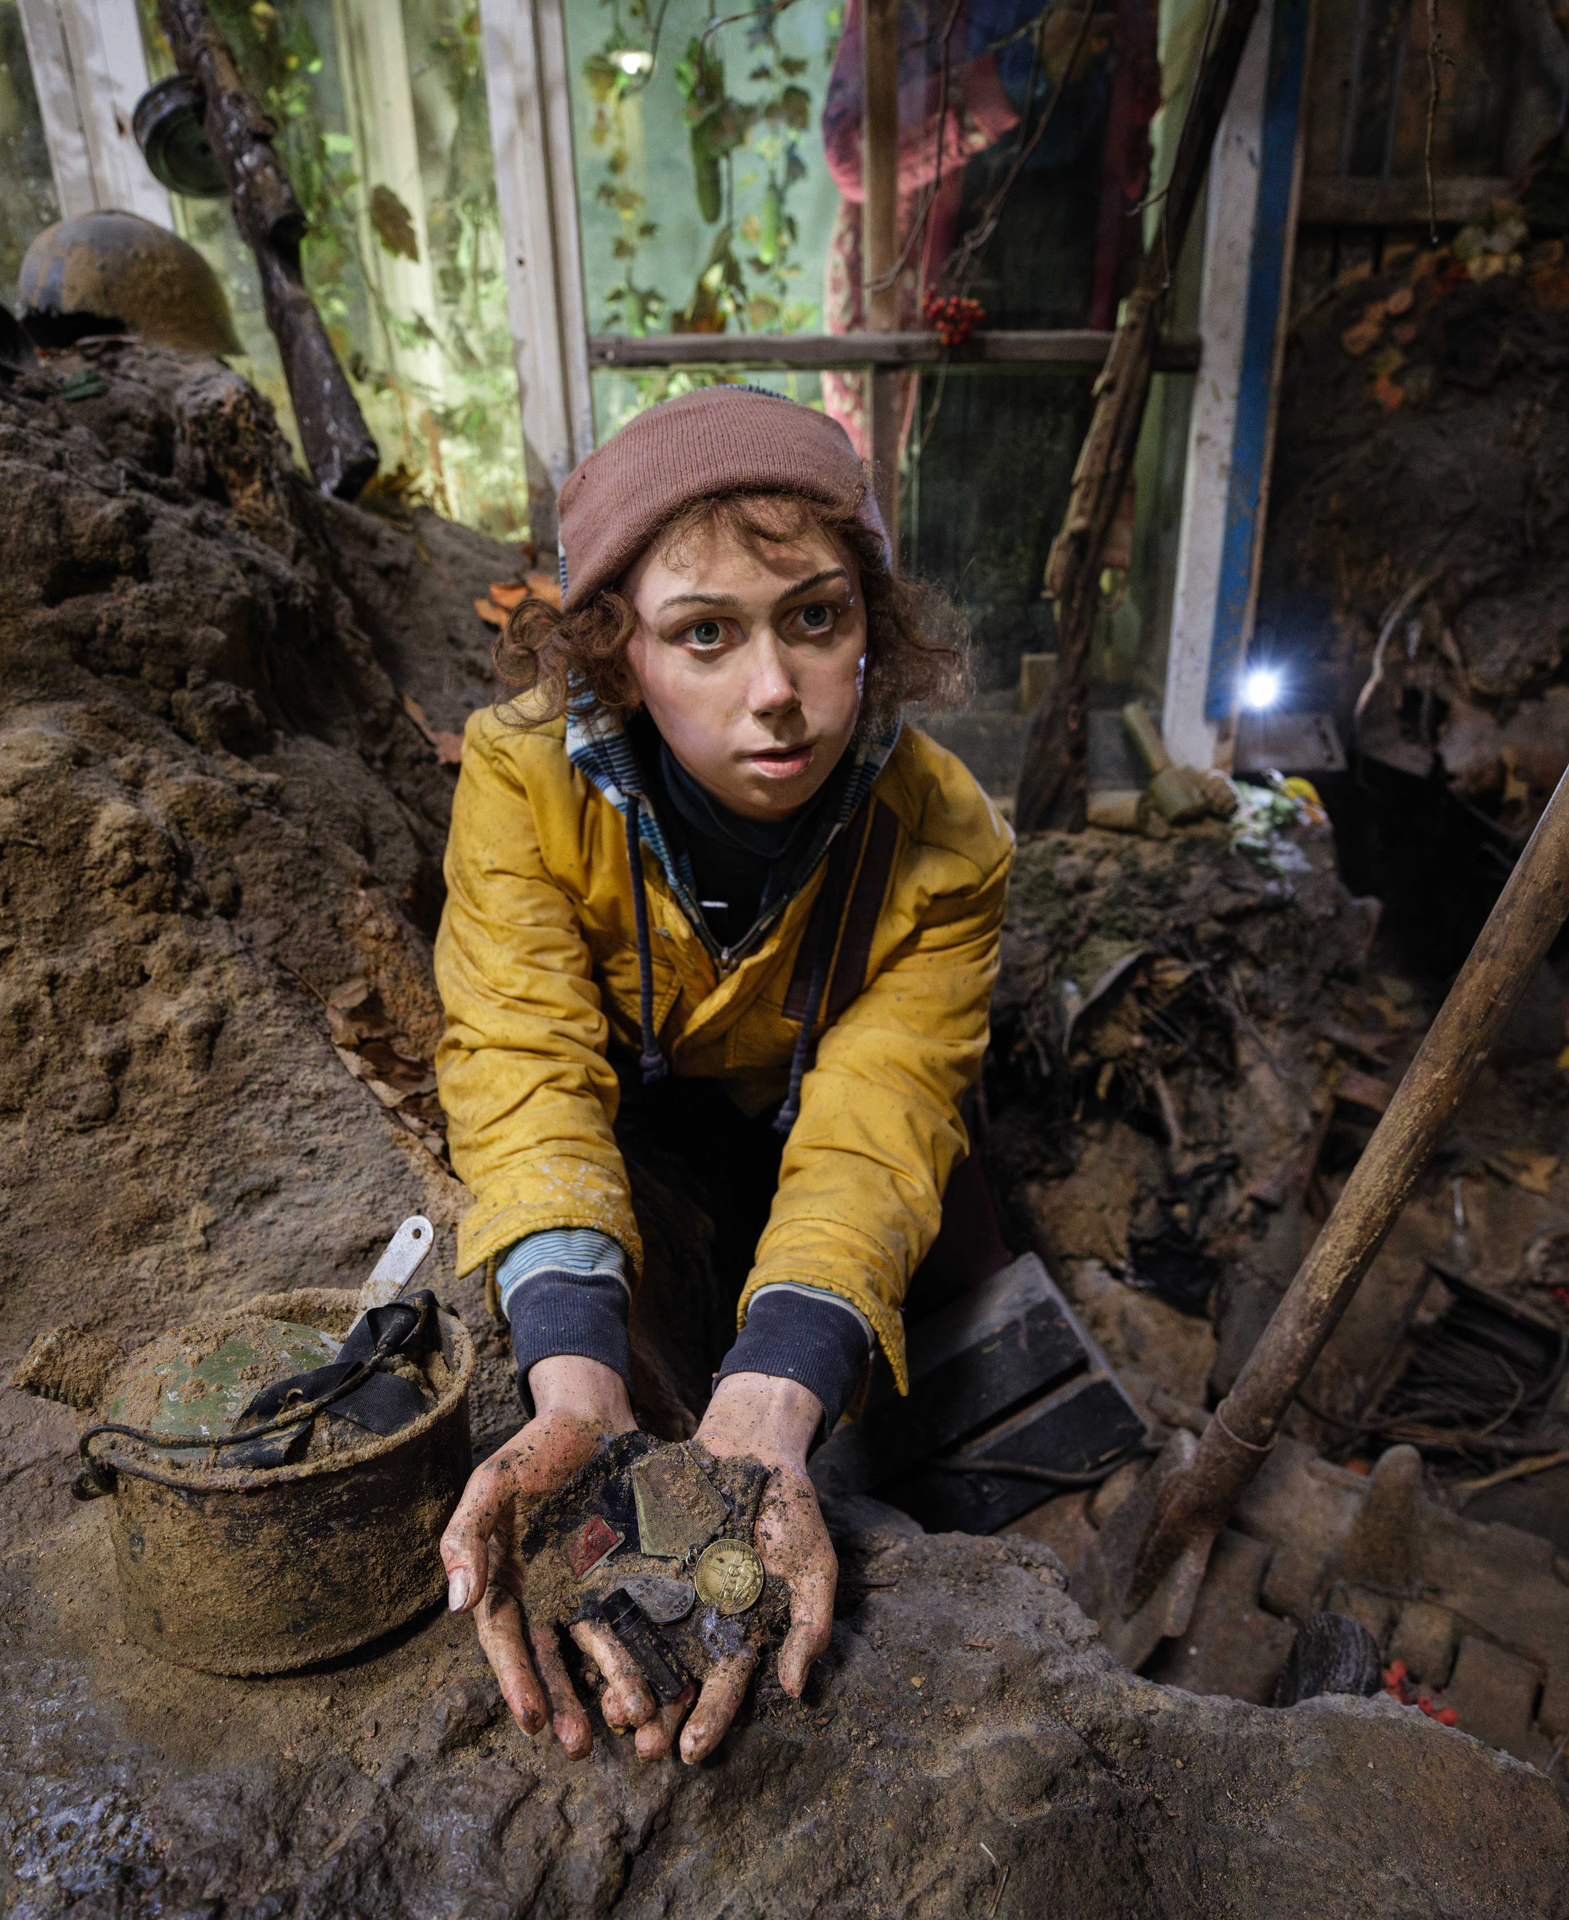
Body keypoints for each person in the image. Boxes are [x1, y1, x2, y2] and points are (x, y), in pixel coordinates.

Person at [431, 386, 1011, 1764]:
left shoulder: (947, 838)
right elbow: (523, 1062)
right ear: (620, 656)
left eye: (815, 617)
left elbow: (880, 1124)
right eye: (706, 634)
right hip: (646, 1128)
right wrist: (574, 1384)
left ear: (869, 618)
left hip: (818, 1127)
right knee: (610, 1308)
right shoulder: (522, 778)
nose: (776, 691)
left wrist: (779, 1392)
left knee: (951, 1276)